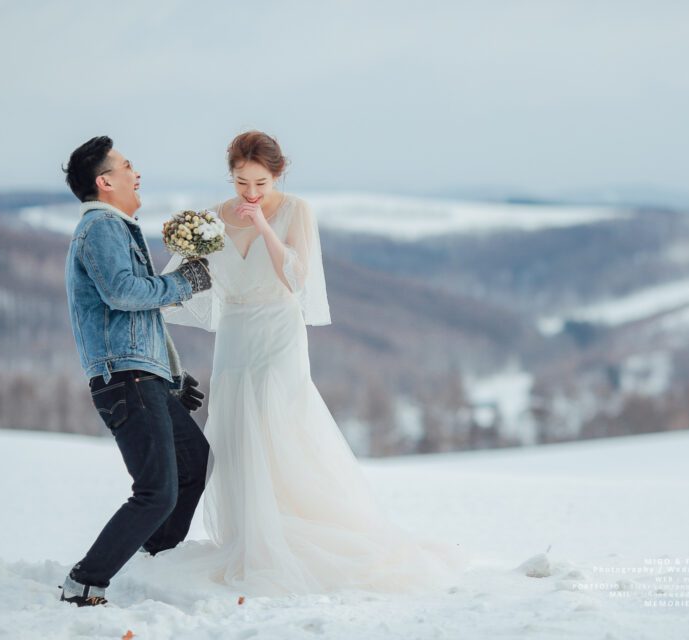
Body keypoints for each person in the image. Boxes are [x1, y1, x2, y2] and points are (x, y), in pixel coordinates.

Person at [161, 130, 468, 594]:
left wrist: (263, 225)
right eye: (241, 183)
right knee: (238, 425)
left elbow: (296, 277)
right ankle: (250, 534)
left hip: (279, 329)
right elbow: (191, 280)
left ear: (277, 175)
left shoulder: (296, 210)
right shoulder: (213, 217)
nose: (250, 193)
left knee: (279, 421)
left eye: (261, 183)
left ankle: (289, 527)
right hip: (236, 333)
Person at [59, 136, 214, 606]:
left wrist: (171, 376)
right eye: (127, 165)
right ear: (105, 182)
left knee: (193, 464)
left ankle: (152, 561)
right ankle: (85, 582)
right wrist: (183, 282)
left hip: (143, 376)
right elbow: (124, 293)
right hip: (125, 379)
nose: (136, 172)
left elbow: (140, 317)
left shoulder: (115, 227)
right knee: (156, 492)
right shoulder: (101, 227)